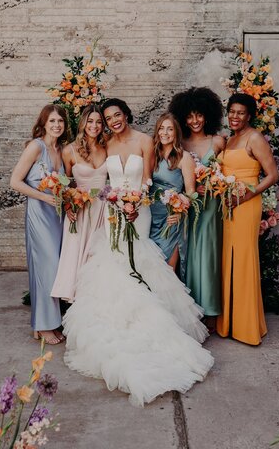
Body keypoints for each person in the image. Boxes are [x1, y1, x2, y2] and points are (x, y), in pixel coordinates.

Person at [63, 98, 214, 406]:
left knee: (140, 264)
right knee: (111, 265)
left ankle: (153, 326)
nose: (113, 120)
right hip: (110, 211)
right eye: (108, 117)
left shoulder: (146, 140)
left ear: (126, 114)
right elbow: (99, 177)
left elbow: (147, 180)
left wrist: (135, 204)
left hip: (138, 212)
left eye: (117, 115)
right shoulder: (104, 143)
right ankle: (116, 324)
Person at [216, 93, 279, 345]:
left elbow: (272, 175)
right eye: (231, 111)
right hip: (226, 205)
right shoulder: (230, 139)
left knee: (243, 260)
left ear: (249, 115)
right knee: (228, 259)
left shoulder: (254, 138)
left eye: (240, 112)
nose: (235, 116)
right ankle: (230, 322)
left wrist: (243, 197)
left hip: (245, 205)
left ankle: (247, 326)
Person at [10, 104, 68, 345]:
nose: (56, 125)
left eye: (60, 122)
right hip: (39, 213)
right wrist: (44, 197)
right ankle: (43, 325)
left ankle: (47, 324)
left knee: (56, 270)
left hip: (57, 215)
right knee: (47, 267)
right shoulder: (36, 146)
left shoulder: (61, 149)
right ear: (44, 123)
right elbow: (15, 181)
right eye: (52, 121)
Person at [169, 87, 225, 333]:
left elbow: (229, 174)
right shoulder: (179, 142)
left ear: (208, 115)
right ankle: (191, 310)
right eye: (189, 116)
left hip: (211, 207)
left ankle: (211, 310)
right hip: (188, 206)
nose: (194, 121)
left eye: (199, 115)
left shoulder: (218, 141)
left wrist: (215, 184)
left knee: (208, 256)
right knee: (187, 255)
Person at [51, 106, 107, 303]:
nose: (94, 126)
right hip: (81, 210)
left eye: (99, 122)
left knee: (99, 257)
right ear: (83, 123)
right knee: (76, 258)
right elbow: (65, 184)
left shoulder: (107, 146)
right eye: (90, 121)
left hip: (103, 210)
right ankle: (78, 304)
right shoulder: (69, 151)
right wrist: (69, 205)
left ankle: (97, 301)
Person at [149, 113, 196, 281]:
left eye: (170, 129)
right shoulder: (152, 155)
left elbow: (191, 192)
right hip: (150, 217)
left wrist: (179, 210)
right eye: (161, 128)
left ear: (176, 133)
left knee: (167, 270)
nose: (165, 133)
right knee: (150, 268)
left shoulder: (184, 157)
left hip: (171, 219)